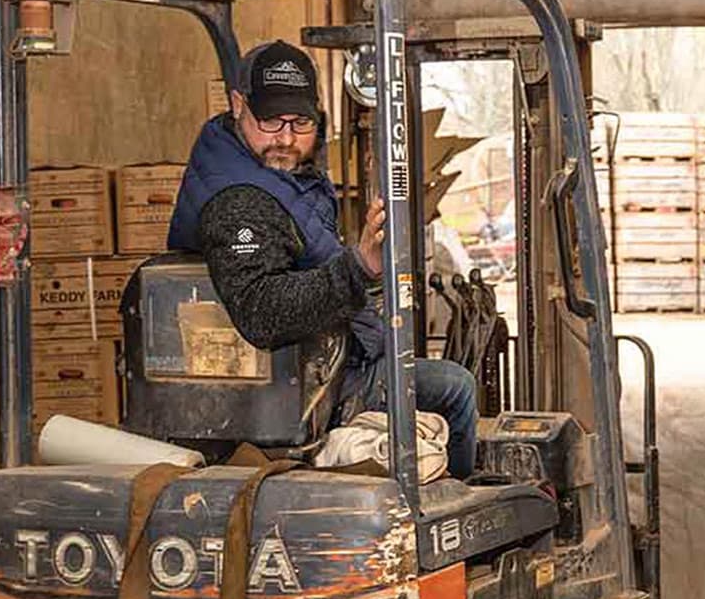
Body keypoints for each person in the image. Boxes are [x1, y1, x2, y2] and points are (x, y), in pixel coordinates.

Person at [167, 40, 478, 479]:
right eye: (272, 121)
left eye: (301, 122)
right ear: (238, 105)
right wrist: (359, 268)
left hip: (314, 364)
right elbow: (261, 311)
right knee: (454, 389)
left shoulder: (275, 174)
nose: (288, 139)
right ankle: (450, 529)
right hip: (292, 393)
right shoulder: (238, 200)